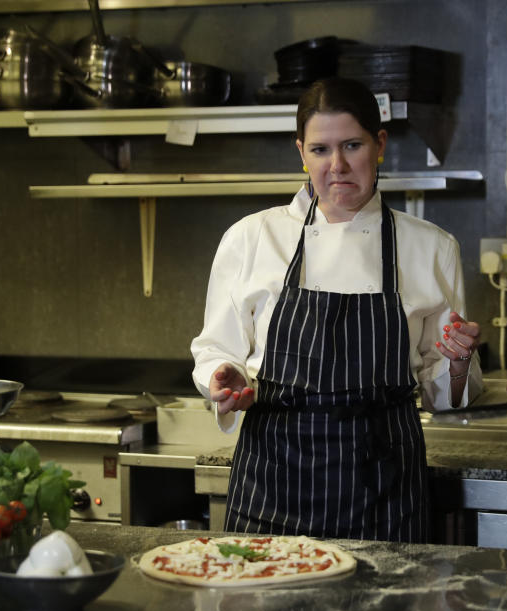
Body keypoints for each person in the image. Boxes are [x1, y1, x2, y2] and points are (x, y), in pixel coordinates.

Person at [191, 77, 483, 542]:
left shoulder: (431, 248)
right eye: (320, 149)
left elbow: (440, 393)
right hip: (273, 488)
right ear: (300, 152)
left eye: (352, 145)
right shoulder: (250, 238)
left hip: (386, 494)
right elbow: (214, 351)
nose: (338, 166)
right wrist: (223, 379)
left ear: (380, 144)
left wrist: (460, 362)